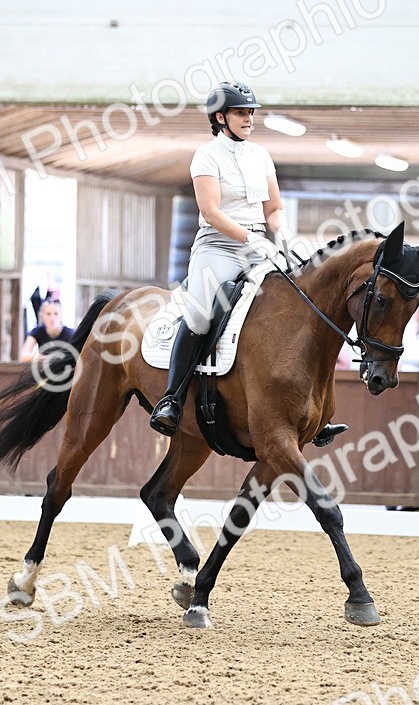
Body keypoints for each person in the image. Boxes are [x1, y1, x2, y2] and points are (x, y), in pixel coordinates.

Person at [147, 81, 346, 447]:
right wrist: (250, 238)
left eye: (251, 112)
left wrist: (281, 234)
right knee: (203, 312)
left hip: (262, 245)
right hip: (218, 246)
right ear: (220, 118)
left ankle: (313, 411)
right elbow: (210, 210)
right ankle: (171, 399)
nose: (249, 118)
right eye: (241, 113)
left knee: (302, 301)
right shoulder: (206, 156)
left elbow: (273, 207)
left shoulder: (260, 155)